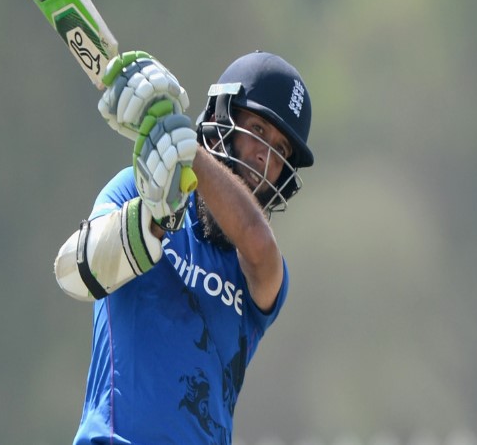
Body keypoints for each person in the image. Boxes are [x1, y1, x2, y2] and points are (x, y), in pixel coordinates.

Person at [54, 49, 314, 445]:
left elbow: (256, 241)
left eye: (281, 151)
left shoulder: (264, 271)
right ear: (223, 119)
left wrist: (183, 146)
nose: (265, 157)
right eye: (259, 131)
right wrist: (155, 217)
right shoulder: (132, 188)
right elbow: (79, 272)